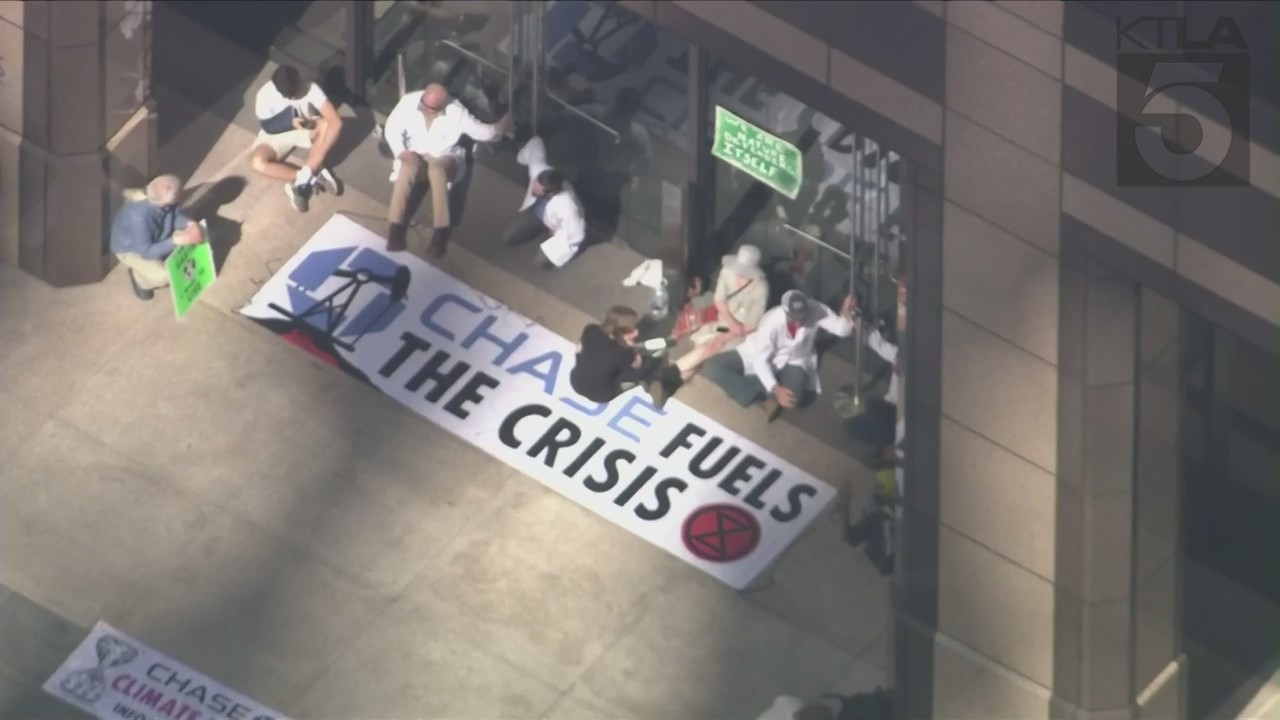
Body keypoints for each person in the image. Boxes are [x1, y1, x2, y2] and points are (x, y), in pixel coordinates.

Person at [383, 82, 512, 254]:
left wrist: (501, 125)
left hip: (444, 157)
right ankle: (395, 229)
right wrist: (401, 152)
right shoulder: (409, 102)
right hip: (417, 155)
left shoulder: (457, 112)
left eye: (431, 108)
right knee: (406, 169)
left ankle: (440, 233)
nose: (425, 109)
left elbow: (484, 132)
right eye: (424, 104)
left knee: (437, 171)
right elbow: (392, 128)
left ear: (442, 105)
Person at [701, 290, 855, 422]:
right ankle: (758, 394)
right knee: (713, 368)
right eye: (795, 318)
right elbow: (761, 361)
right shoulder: (772, 323)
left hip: (796, 359)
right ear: (786, 312)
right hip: (762, 356)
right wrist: (776, 389)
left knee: (794, 400)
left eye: (803, 317)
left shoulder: (815, 308)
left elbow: (842, 330)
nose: (800, 323)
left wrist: (846, 313)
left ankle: (749, 389)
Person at [251, 64, 343, 213]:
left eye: (294, 93)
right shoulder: (264, 95)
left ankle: (312, 169)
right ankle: (304, 179)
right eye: (288, 96)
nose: (293, 98)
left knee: (326, 125)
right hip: (276, 135)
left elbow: (336, 122)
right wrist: (289, 122)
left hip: (306, 128)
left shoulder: (311, 88)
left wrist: (319, 156)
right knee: (257, 162)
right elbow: (268, 126)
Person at [673, 244, 769, 381]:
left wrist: (723, 338)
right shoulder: (727, 272)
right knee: (704, 343)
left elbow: (752, 324)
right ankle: (678, 376)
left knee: (713, 348)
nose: (740, 277)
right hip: (723, 323)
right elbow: (719, 300)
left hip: (741, 333)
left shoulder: (761, 289)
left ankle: (672, 373)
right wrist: (729, 323)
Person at [109, 175, 206, 301]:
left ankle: (163, 254)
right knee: (164, 276)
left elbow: (173, 215)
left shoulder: (160, 200)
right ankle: (140, 279)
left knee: (197, 235)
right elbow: (146, 252)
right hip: (132, 249)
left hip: (156, 235)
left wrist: (190, 224)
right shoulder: (138, 217)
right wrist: (177, 240)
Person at [503, 136, 586, 269]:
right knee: (509, 237)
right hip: (538, 213)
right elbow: (536, 142)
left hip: (559, 228)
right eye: (535, 182)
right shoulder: (538, 169)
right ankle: (539, 227)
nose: (533, 187)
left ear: (550, 193)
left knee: (541, 263)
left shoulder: (567, 208)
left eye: (537, 188)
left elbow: (577, 234)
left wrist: (557, 234)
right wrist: (521, 157)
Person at [570, 306, 674, 408]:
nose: (637, 331)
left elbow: (578, 349)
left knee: (608, 365)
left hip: (576, 381)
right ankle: (651, 381)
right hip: (602, 394)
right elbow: (637, 364)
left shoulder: (591, 329)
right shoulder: (623, 353)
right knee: (645, 366)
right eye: (633, 329)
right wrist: (631, 347)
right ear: (621, 333)